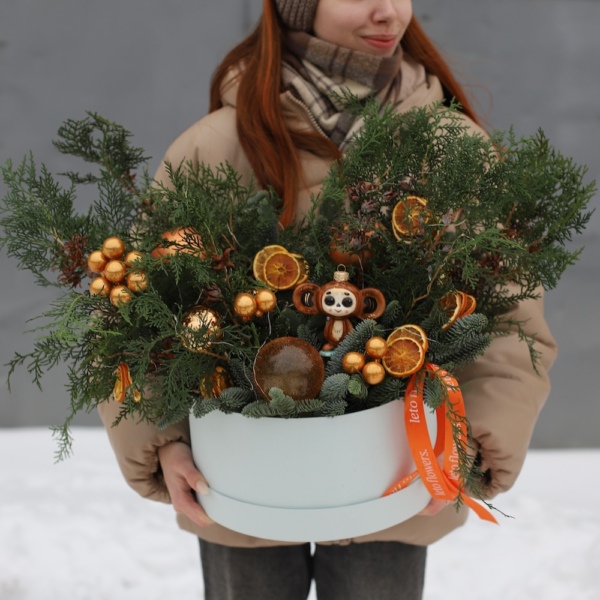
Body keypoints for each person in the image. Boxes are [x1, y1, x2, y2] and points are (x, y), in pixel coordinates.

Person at [99, 1, 557, 598]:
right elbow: (137, 311)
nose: (387, 10)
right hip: (240, 483)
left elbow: (507, 314)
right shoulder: (216, 147)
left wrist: (474, 439)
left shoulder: (452, 148)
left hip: (396, 480)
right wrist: (159, 441)